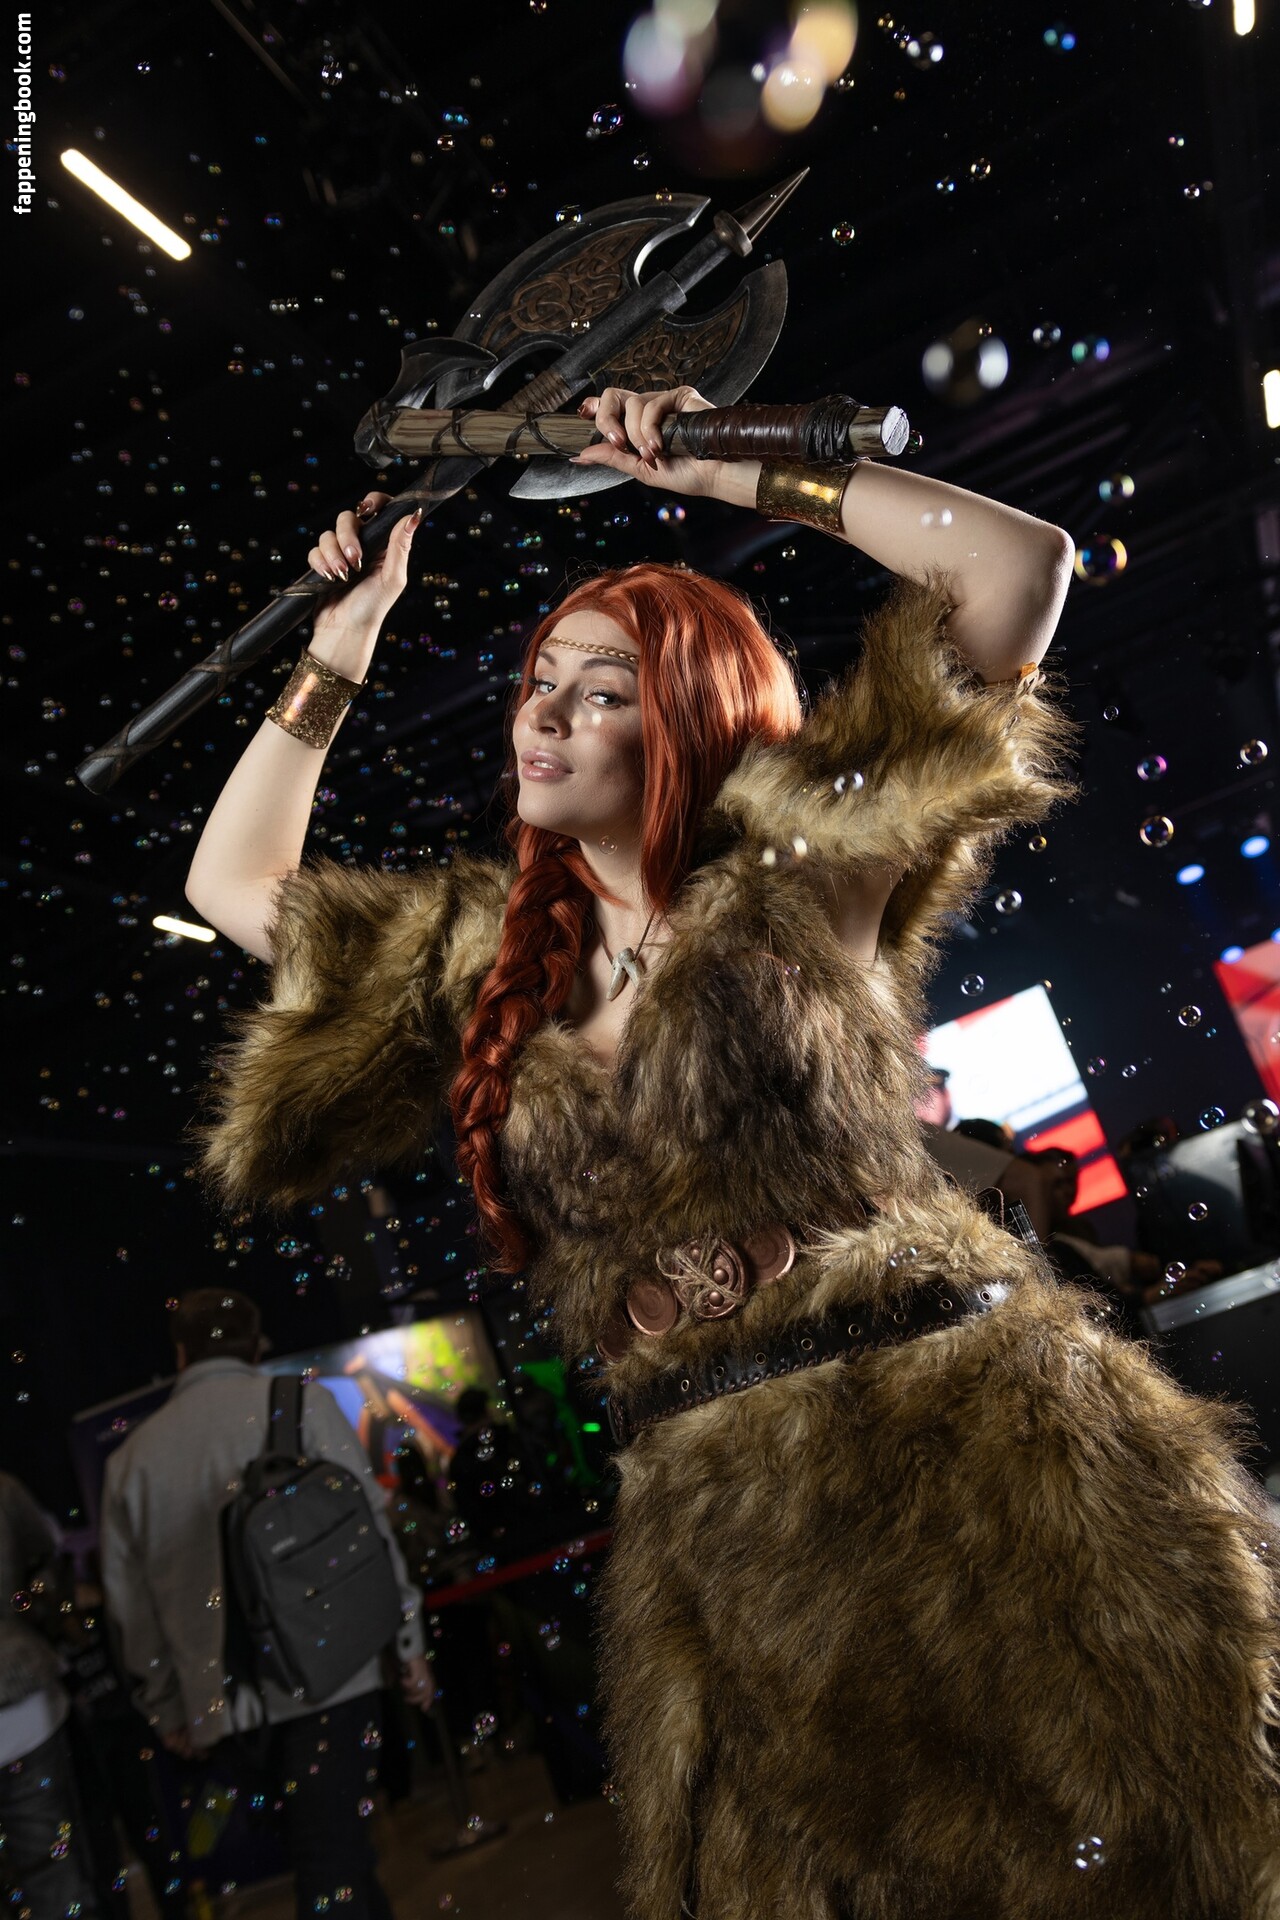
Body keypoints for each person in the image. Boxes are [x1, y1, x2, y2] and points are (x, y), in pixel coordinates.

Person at [187, 385, 1280, 1916]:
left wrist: (723, 464)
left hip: (973, 1453)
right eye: (538, 683)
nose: (544, 715)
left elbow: (1018, 571)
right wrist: (341, 648)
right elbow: (234, 884)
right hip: (727, 1522)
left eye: (602, 691)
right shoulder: (476, 959)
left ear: (687, 721)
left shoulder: (798, 868)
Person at [99, 1289, 432, 1920]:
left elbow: (130, 1613)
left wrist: (167, 1707)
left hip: (222, 1709)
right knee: (333, 1862)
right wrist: (408, 1642)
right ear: (257, 1347)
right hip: (337, 1678)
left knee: (335, 1859)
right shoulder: (302, 1406)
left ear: (180, 1355)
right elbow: (370, 1535)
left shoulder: (129, 1462)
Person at [0, 1472, 101, 1920]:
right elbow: (47, 1567)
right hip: (23, 1709)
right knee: (55, 1880)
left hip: (24, 1714)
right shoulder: (4, 1490)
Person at [1023, 1144, 1224, 1336]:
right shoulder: (1042, 1244)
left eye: (1072, 1181)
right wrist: (1151, 1292)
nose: (1069, 1190)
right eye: (1057, 1184)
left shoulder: (1078, 1227)